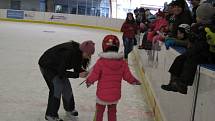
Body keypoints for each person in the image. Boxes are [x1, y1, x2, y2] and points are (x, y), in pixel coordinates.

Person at [161, 3, 215, 94]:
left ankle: (182, 84)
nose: (196, 18)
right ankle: (173, 82)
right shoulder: (199, 27)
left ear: (203, 17)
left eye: (198, 16)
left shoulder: (208, 29)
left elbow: (202, 45)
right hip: (201, 52)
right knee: (180, 58)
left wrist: (190, 51)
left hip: (208, 55)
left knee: (190, 61)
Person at [85, 35, 141, 121]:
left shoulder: (101, 62)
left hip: (102, 95)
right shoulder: (122, 63)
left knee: (99, 113)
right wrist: (134, 81)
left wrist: (89, 81)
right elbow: (128, 76)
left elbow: (94, 75)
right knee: (112, 113)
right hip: (115, 95)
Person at [38, 40, 95, 121]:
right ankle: (50, 115)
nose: (89, 57)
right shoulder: (68, 53)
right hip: (47, 66)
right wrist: (78, 75)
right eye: (88, 54)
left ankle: (69, 109)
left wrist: (84, 72)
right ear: (83, 50)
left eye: (91, 55)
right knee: (57, 87)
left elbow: (76, 68)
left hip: (58, 67)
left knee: (66, 87)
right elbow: (61, 73)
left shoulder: (79, 53)